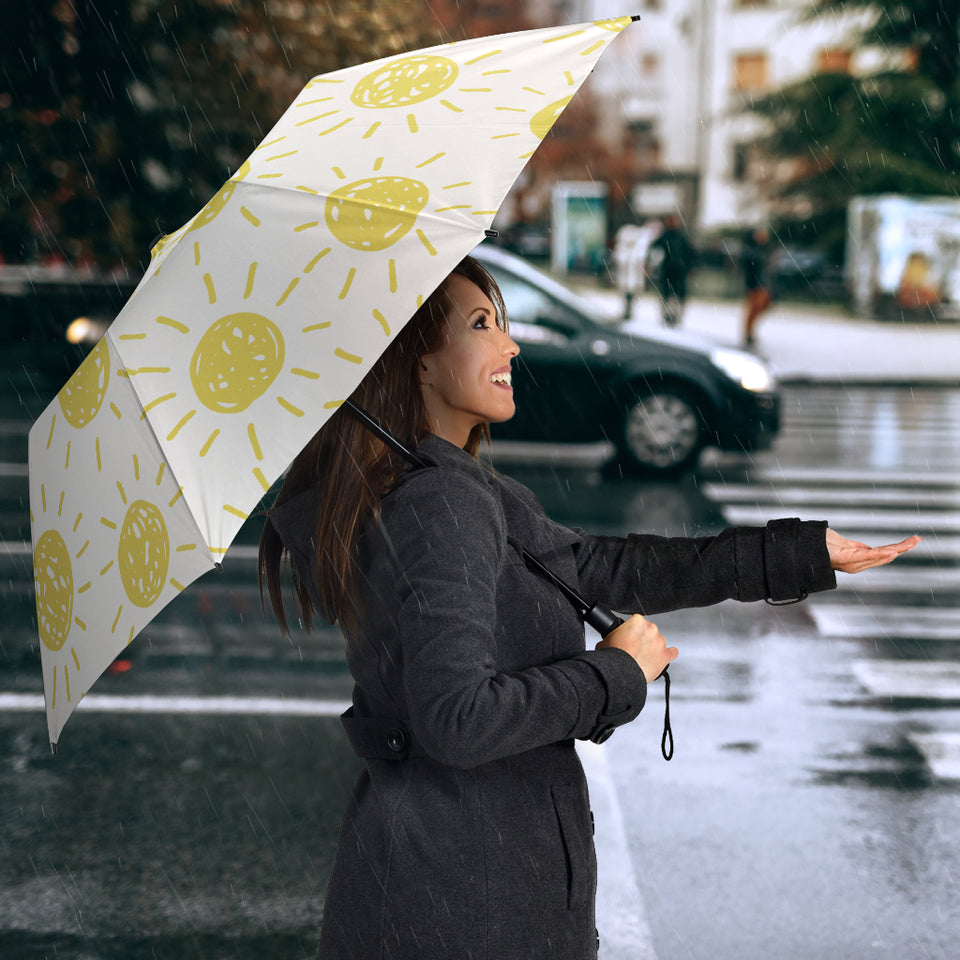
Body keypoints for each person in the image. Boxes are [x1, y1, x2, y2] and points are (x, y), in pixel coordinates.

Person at [258, 256, 919, 960]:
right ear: (417, 361)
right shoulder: (441, 504)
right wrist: (614, 674)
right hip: (469, 903)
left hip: (447, 883)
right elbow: (457, 719)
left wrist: (795, 554)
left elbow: (599, 567)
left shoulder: (444, 488)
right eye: (482, 325)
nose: (511, 345)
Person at [648, 213, 695, 327]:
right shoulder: (665, 236)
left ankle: (675, 316)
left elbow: (690, 253)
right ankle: (667, 315)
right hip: (668, 271)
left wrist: (690, 267)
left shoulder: (681, 237)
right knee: (667, 294)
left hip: (679, 271)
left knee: (677, 295)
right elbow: (654, 249)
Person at [741, 226, 773, 347]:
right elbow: (750, 266)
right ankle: (748, 333)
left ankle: (749, 331)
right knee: (754, 308)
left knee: (761, 306)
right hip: (754, 284)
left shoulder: (762, 249)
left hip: (762, 283)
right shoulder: (751, 250)